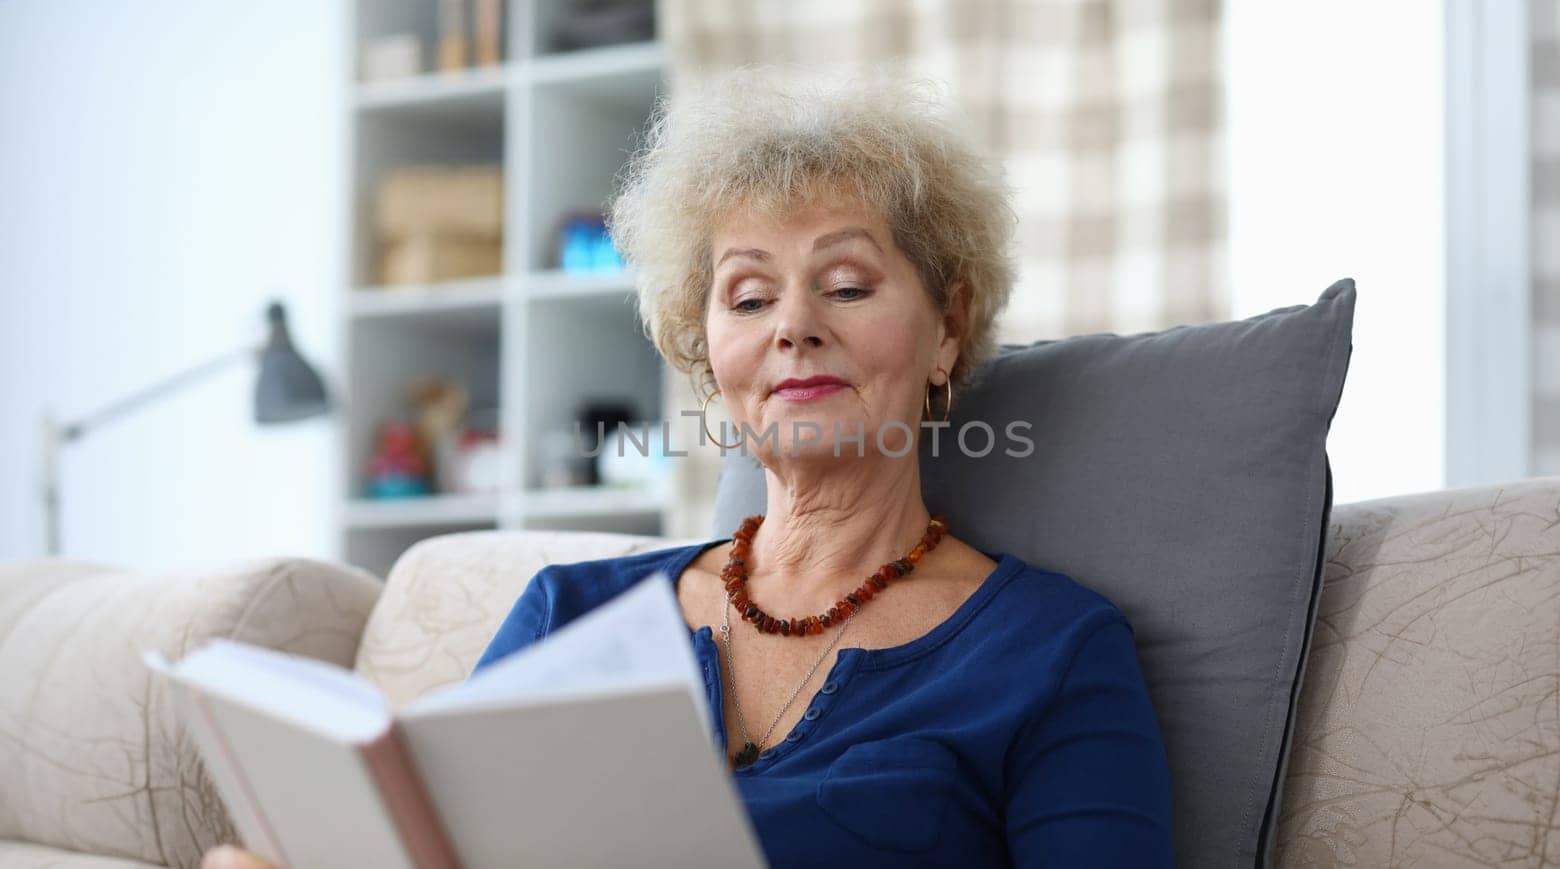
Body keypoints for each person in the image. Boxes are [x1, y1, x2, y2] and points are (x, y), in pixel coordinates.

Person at [203, 68, 1174, 869]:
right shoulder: (568, 611)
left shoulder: (1052, 649)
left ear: (947, 326)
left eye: (845, 284)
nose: (794, 324)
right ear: (708, 352)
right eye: (748, 297)